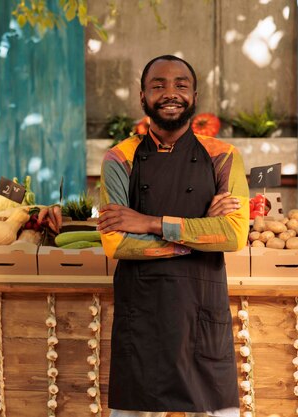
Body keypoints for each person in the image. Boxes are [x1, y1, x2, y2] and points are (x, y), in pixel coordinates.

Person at [98, 55, 250, 417]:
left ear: (194, 95)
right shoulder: (119, 159)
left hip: (202, 313)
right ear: (142, 97)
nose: (170, 93)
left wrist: (150, 223)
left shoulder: (224, 156)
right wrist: (198, 234)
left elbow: (233, 235)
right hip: (142, 317)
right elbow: (116, 242)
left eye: (181, 85)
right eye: (158, 85)